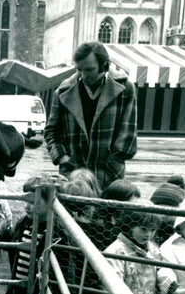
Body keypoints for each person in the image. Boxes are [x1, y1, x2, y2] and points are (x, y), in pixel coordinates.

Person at [44, 41, 137, 188]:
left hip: (110, 176)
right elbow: (51, 131)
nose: (83, 75)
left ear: (105, 65)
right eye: (79, 69)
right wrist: (62, 157)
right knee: (71, 211)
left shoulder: (125, 88)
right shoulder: (62, 92)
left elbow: (128, 133)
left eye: (89, 69)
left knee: (108, 211)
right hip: (73, 177)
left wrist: (114, 161)